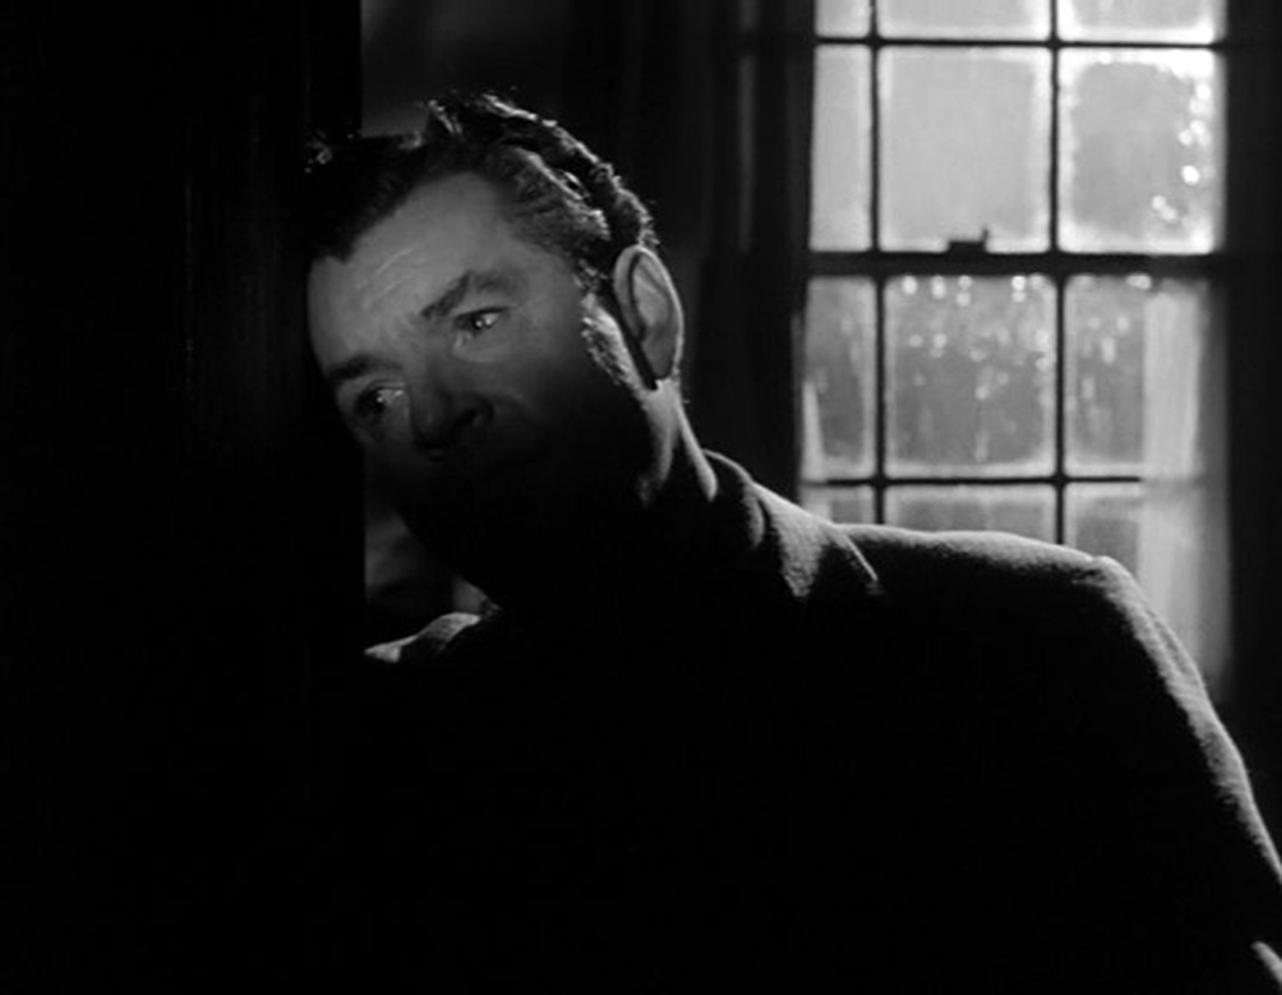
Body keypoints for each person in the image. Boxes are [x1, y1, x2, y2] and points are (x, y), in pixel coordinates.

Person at [304, 93, 1282, 989]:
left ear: (643, 314)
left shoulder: (1041, 645)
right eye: (375, 396)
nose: (433, 416)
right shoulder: (392, 744)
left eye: (478, 322)